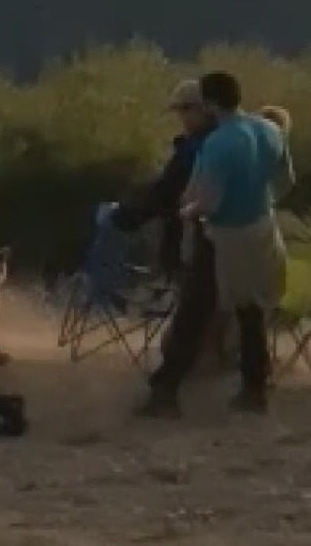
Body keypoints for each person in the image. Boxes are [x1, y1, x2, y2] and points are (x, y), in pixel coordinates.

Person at [100, 78, 218, 418]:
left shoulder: (197, 148)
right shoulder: (237, 138)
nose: (180, 118)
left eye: (184, 110)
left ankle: (169, 392)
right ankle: (229, 382)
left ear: (201, 109)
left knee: (192, 312)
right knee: (213, 313)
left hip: (195, 238)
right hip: (233, 238)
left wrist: (127, 216)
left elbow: (167, 191)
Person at [180, 71, 296, 414]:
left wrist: (187, 211)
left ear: (210, 103)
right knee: (254, 310)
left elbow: (210, 203)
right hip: (265, 226)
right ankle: (253, 385)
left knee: (220, 309)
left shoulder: (220, 142)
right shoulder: (270, 130)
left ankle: (246, 388)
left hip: (229, 233)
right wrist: (262, 201)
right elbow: (287, 181)